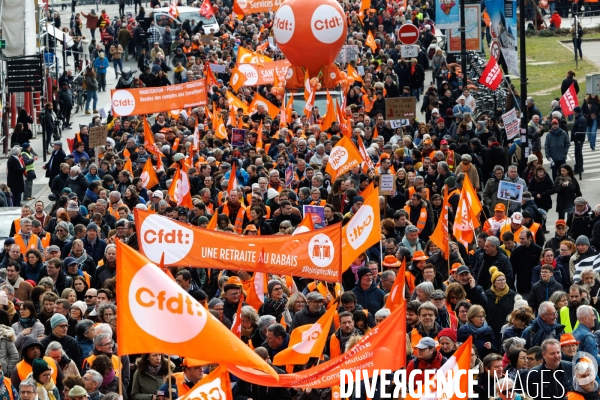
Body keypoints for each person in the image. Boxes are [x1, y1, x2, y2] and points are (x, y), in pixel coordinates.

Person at [572, 106, 587, 179]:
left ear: (576, 112)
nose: (573, 112)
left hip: (579, 140)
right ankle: (579, 168)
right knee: (578, 154)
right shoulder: (579, 118)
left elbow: (580, 131)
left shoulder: (581, 119)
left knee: (578, 154)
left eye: (574, 111)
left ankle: (578, 169)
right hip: (578, 140)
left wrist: (576, 138)